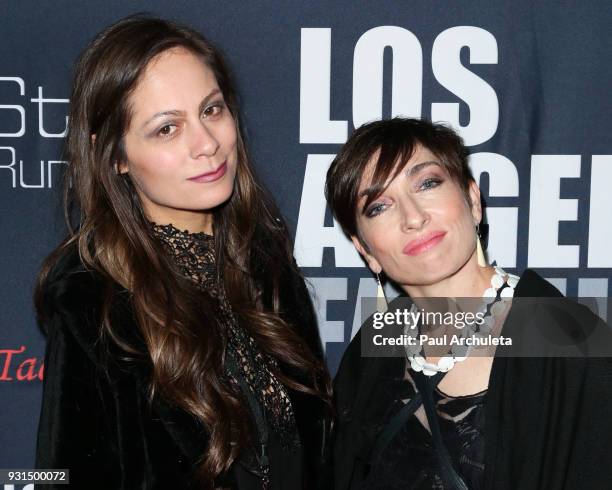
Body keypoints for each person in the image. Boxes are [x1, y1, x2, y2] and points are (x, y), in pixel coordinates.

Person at [34, 15, 332, 490]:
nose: (208, 144)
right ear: (116, 156)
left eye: (212, 110)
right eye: (167, 129)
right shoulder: (95, 299)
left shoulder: (264, 263)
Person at [325, 117, 612, 490]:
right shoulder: (371, 349)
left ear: (473, 200)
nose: (413, 217)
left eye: (427, 184)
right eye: (379, 206)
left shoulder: (572, 342)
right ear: (366, 250)